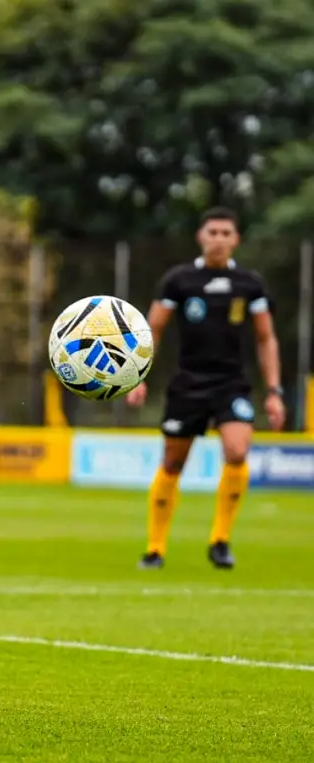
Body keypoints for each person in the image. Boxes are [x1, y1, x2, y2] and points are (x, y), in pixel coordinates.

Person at [126, 206, 284, 570]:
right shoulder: (179, 280)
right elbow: (153, 329)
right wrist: (138, 375)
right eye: (213, 232)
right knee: (173, 462)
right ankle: (155, 548)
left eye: (226, 233)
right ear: (201, 237)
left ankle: (220, 541)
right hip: (188, 383)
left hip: (231, 383)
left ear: (236, 239)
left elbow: (266, 337)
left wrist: (274, 391)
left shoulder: (249, 284)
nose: (219, 240)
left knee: (238, 451)